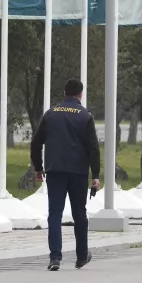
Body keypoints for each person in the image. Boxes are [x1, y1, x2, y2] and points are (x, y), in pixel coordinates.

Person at [30, 79, 101, 271]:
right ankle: (81, 256)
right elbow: (93, 148)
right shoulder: (85, 116)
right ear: (80, 94)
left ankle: (55, 257)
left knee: (55, 213)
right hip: (78, 172)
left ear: (64, 92)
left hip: (55, 171)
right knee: (80, 214)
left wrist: (38, 167)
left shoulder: (50, 114)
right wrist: (96, 174)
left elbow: (36, 142)